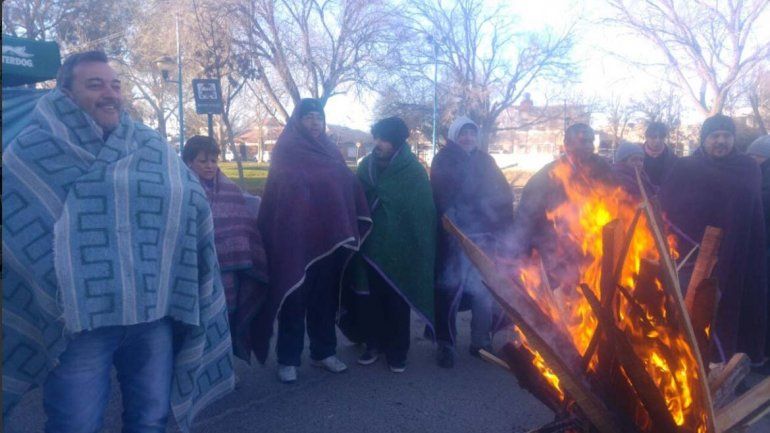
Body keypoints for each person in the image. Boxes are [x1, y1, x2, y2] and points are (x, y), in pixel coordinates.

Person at [2, 51, 233, 432]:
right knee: (75, 425)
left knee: (150, 420)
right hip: (79, 324)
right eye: (95, 85)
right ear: (66, 93)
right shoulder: (32, 149)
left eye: (115, 85)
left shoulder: (150, 145)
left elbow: (189, 199)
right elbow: (15, 228)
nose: (110, 93)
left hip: (150, 313)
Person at [253, 98, 372, 383]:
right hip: (293, 241)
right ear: (298, 120)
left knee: (324, 299)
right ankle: (288, 359)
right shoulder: (285, 151)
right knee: (294, 298)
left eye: (319, 117)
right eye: (308, 117)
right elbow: (280, 195)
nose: (315, 122)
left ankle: (324, 352)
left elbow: (346, 184)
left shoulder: (331, 150)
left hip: (329, 241)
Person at [659, 115, 767, 363]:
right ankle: (688, 363)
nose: (721, 141)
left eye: (726, 136)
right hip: (693, 256)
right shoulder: (685, 168)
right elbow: (667, 208)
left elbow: (752, 214)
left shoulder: (747, 168)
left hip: (738, 253)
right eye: (714, 136)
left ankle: (727, 363)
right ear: (703, 139)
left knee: (731, 308)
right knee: (695, 309)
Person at [347, 117, 437, 373]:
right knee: (370, 299)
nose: (378, 143)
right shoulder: (365, 167)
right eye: (376, 138)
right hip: (369, 247)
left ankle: (398, 351)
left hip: (401, 249)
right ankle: (373, 344)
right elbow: (354, 201)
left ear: (396, 142)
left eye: (384, 139)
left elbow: (422, 213)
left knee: (397, 300)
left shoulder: (413, 171)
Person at [431, 116, 514, 368]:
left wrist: (500, 225)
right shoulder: (443, 160)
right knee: (449, 290)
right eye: (462, 133)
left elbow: (502, 194)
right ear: (454, 136)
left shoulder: (486, 161)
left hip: (485, 238)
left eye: (471, 133)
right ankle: (446, 344)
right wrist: (453, 223)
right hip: (453, 238)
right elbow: (440, 196)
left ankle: (480, 342)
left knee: (483, 291)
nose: (468, 138)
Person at [182, 135, 269, 363]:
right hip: (191, 270)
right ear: (189, 162)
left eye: (213, 160)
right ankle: (195, 368)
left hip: (227, 272)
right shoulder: (180, 189)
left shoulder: (229, 189)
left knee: (225, 316)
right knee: (195, 322)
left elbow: (243, 220)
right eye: (203, 161)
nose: (210, 166)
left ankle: (223, 367)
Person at [511, 123, 613, 291]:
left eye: (591, 141)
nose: (589, 146)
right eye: (583, 141)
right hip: (554, 252)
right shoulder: (547, 176)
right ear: (567, 145)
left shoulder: (603, 170)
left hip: (592, 251)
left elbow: (617, 205)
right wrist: (521, 254)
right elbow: (526, 218)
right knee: (560, 299)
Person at [746, 134, 770, 364]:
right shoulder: (754, 177)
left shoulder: (761, 183)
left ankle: (761, 353)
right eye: (751, 156)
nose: (754, 161)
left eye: (758, 157)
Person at [642, 121, 678, 187]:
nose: (657, 140)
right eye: (653, 137)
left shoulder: (673, 158)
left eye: (661, 136)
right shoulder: (637, 156)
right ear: (646, 137)